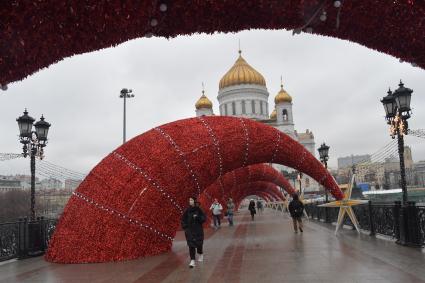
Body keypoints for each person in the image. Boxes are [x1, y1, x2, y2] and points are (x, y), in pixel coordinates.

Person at [181, 197, 206, 268]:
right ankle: (192, 260)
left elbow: (204, 218)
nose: (190, 201)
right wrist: (185, 227)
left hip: (198, 230)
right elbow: (183, 219)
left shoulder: (198, 210)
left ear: (194, 201)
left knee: (199, 244)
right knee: (191, 245)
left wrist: (197, 217)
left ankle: (200, 254)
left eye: (191, 200)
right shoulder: (187, 210)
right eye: (189, 200)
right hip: (190, 231)